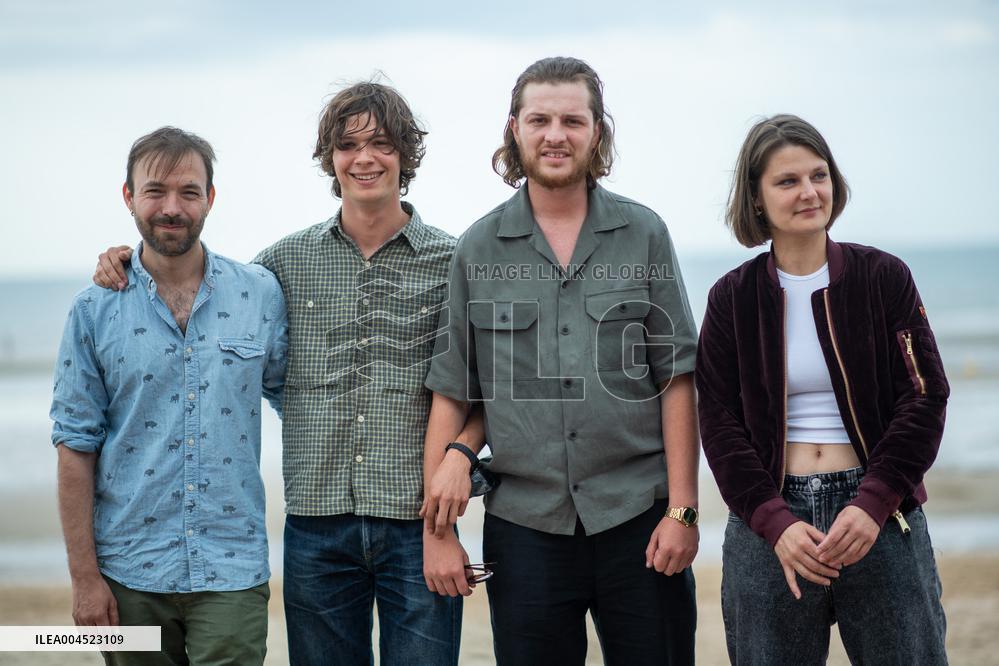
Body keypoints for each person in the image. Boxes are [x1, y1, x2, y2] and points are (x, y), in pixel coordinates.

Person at [92, 83, 482, 666]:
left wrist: (460, 459)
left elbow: (481, 389)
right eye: (348, 146)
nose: (365, 158)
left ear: (405, 154)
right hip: (315, 529)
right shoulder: (279, 266)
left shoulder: (454, 262)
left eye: (380, 143)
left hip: (417, 525)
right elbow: (211, 313)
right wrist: (128, 262)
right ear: (331, 159)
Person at [422, 56, 700, 665]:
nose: (555, 135)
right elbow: (454, 390)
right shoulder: (478, 247)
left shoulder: (643, 233)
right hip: (525, 528)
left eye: (572, 120)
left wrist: (683, 510)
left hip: (639, 517)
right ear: (514, 128)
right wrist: (437, 536)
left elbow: (677, 378)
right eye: (539, 119)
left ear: (597, 131)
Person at [696, 114, 949, 664]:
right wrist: (773, 521)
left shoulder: (884, 277)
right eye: (787, 181)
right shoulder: (731, 299)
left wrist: (874, 503)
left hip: (878, 516)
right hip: (770, 525)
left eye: (819, 175)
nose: (810, 192)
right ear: (757, 199)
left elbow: (925, 396)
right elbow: (717, 423)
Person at [52, 126, 288, 665]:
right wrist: (84, 578)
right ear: (129, 196)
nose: (171, 207)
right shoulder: (92, 311)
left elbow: (298, 401)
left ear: (211, 198)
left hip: (231, 564)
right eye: (155, 190)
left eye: (188, 191)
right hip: (127, 570)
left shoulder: (259, 293)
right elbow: (74, 446)